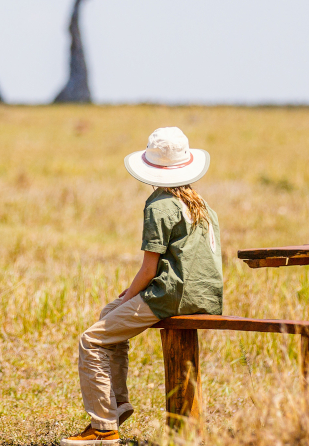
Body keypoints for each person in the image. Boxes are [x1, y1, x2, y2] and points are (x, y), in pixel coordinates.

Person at [62, 127, 223, 445]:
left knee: (91, 340)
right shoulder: (200, 203)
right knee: (109, 315)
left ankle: (103, 427)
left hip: (171, 295)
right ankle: (117, 405)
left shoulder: (158, 204)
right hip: (204, 294)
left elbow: (149, 269)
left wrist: (129, 294)